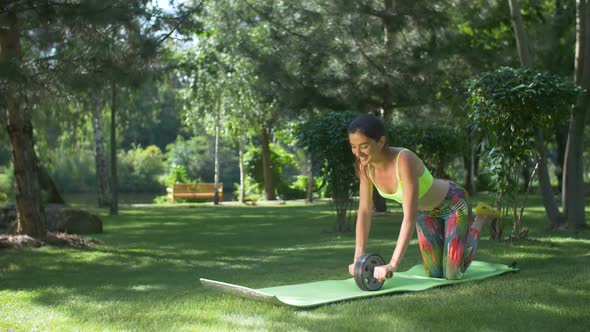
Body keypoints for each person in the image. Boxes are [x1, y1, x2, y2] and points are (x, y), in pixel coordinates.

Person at [347, 114, 499, 281]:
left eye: (364, 146)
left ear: (381, 142)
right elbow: (364, 211)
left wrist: (393, 264)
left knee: (452, 273)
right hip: (425, 213)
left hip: (453, 204)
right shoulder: (365, 168)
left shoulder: (403, 160)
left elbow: (409, 217)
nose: (358, 153)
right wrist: (358, 258)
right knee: (435, 274)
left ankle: (481, 217)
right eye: (353, 146)